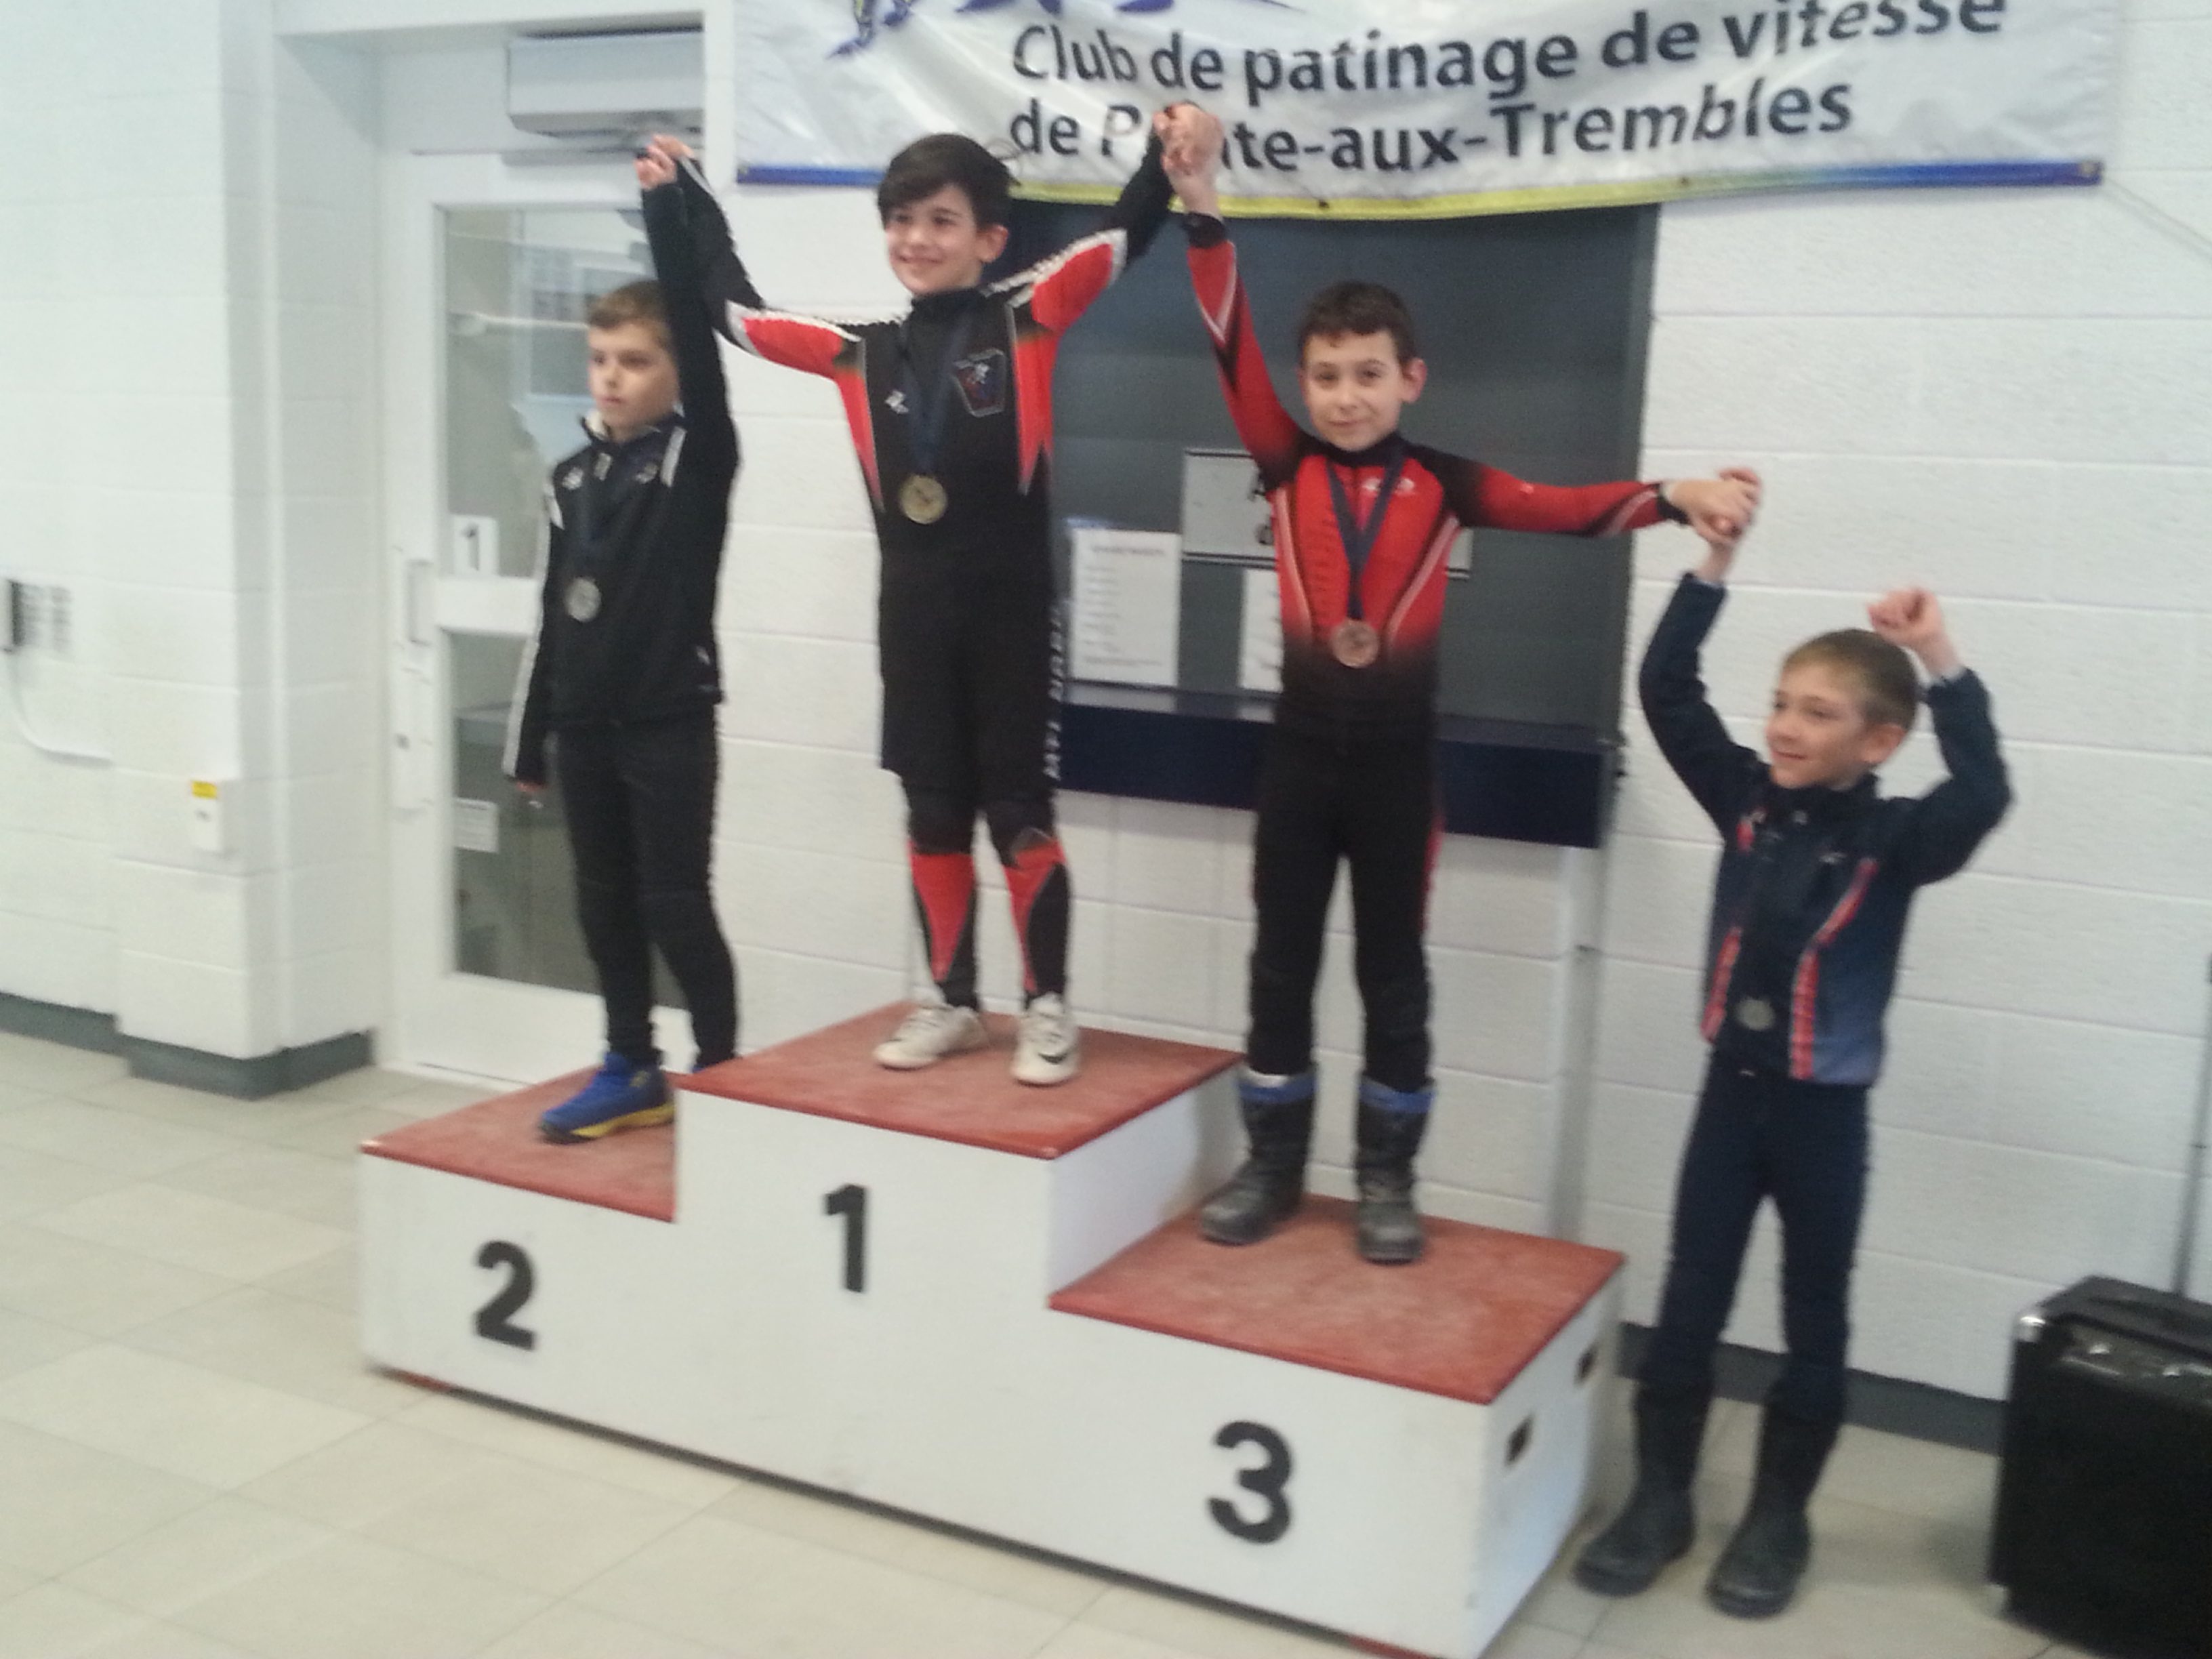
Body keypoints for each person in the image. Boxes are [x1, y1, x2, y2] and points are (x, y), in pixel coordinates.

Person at [1161, 123, 1761, 1264]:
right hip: (1298, 768)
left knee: (1395, 976)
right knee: (1279, 967)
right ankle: (1273, 1168)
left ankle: (1387, 1181)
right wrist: (1202, 205)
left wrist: (1677, 495)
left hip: (1397, 776)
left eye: (1367, 375)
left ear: (1411, 378)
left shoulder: (1446, 484)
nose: (1345, 398)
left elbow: (1567, 509)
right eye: (1326, 377)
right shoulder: (1283, 463)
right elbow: (1229, 339)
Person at [642, 112, 1198, 1086]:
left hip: (1013, 617)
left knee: (1019, 814)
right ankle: (952, 1000)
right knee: (932, 812)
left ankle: (1047, 1007)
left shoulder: (1030, 315)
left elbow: (1122, 237)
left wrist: (1166, 152)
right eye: (900, 220)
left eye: (941, 220)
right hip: (912, 622)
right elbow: (739, 316)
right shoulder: (856, 352)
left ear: (990, 239)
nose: (916, 239)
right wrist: (689, 200)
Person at [1574, 538, 2010, 1617]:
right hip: (1730, 1100)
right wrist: (1711, 569)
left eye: (1818, 713)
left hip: (1825, 1118)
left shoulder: (1900, 839)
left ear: (1879, 741)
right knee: (1689, 1303)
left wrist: (1941, 659)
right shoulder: (1745, 801)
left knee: (1817, 1316)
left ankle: (1780, 1517)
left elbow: (1985, 790)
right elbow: (1666, 691)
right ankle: (1662, 1500)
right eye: (1781, 703)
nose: (1784, 726)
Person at [506, 144, 741, 1142]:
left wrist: (667, 213)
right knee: (602, 905)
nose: (612, 377)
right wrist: (531, 742)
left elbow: (697, 328)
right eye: (601, 359)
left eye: (636, 360)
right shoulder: (569, 478)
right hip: (584, 728)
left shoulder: (696, 457)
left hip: (667, 724)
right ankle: (631, 1064)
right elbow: (551, 617)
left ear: (676, 372)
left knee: (675, 903)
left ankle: (725, 1079)